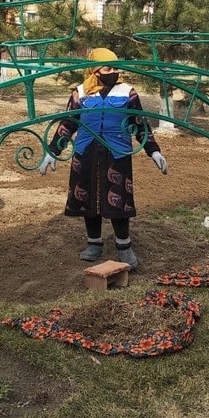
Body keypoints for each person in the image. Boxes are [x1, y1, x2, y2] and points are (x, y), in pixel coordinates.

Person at [38, 48, 167, 269]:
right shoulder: (81, 93)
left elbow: (140, 125)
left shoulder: (127, 92)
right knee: (88, 197)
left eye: (116, 68)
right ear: (95, 71)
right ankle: (94, 243)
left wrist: (153, 151)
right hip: (86, 152)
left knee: (119, 199)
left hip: (117, 153)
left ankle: (124, 246)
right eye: (107, 69)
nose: (113, 72)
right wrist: (52, 152)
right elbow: (68, 123)